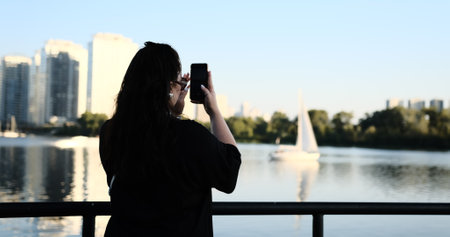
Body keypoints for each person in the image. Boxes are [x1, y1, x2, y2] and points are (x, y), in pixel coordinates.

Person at [99, 41, 241, 236]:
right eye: (177, 78)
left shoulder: (110, 132)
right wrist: (214, 111)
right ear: (169, 87)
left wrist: (171, 112)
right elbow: (229, 171)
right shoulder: (190, 135)